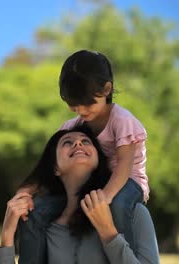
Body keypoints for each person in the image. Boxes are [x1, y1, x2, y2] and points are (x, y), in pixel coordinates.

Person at [0, 124, 159, 263]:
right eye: (67, 142)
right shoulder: (44, 226)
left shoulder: (134, 214)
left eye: (86, 141)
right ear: (55, 168)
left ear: (98, 160)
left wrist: (108, 233)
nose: (78, 144)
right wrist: (7, 234)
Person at [58, 49, 149, 251]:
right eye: (74, 107)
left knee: (116, 204)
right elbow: (50, 159)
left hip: (129, 181)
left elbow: (124, 167)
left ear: (107, 89)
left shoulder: (123, 121)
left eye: (87, 104)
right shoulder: (74, 125)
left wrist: (106, 196)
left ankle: (127, 255)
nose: (81, 111)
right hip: (99, 180)